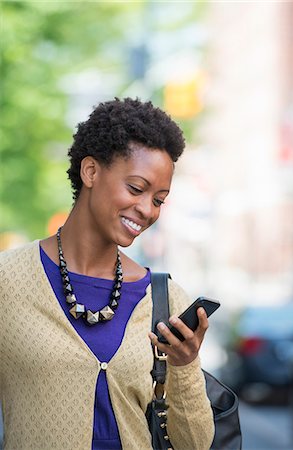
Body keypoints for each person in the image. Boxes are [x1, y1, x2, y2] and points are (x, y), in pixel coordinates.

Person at [0, 98, 214, 450]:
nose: (147, 210)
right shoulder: (9, 282)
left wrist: (185, 364)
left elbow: (194, 445)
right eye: (136, 188)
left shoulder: (166, 299)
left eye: (159, 200)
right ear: (91, 172)